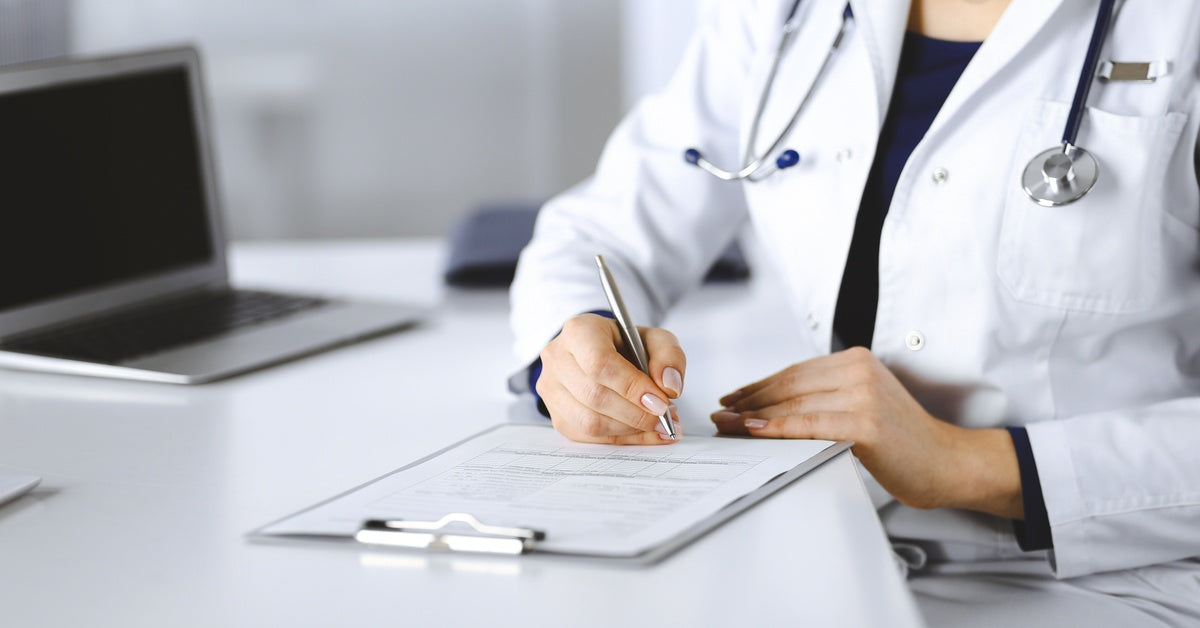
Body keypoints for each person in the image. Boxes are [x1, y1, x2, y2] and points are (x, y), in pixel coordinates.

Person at [509, 0, 1200, 624]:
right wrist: (578, 342)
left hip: (1096, 580)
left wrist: (970, 463)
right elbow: (602, 230)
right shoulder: (781, 12)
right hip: (826, 542)